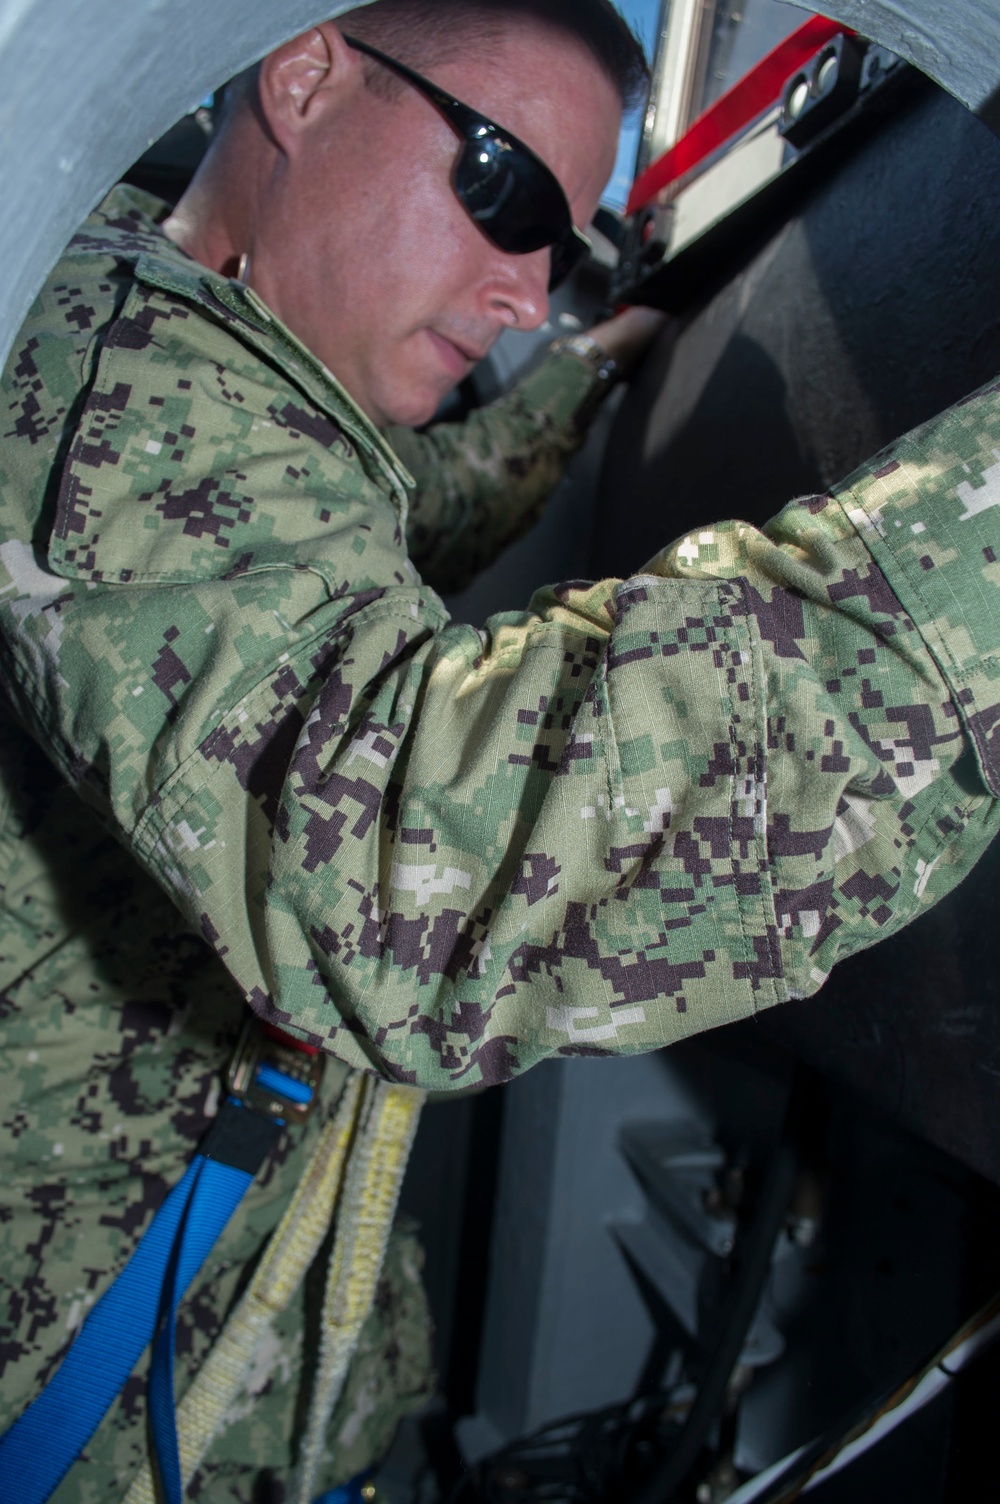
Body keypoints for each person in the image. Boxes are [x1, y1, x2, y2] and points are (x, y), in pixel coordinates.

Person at [0, 0, 998, 1499]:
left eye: (563, 243)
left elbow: (420, 501)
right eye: (505, 190)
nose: (525, 290)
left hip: (202, 1363)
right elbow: (412, 862)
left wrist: (597, 365)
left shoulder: (245, 364)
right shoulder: (106, 372)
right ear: (307, 69)